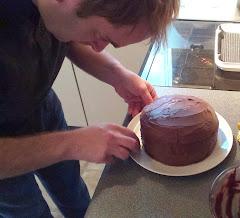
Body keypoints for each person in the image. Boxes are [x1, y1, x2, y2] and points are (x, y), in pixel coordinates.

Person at [0, 0, 180, 217]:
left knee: (70, 185)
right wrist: (70, 143)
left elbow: (68, 34)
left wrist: (117, 74)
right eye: (101, 36)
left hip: (41, 104)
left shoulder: (59, 12)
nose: (96, 47)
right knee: (27, 210)